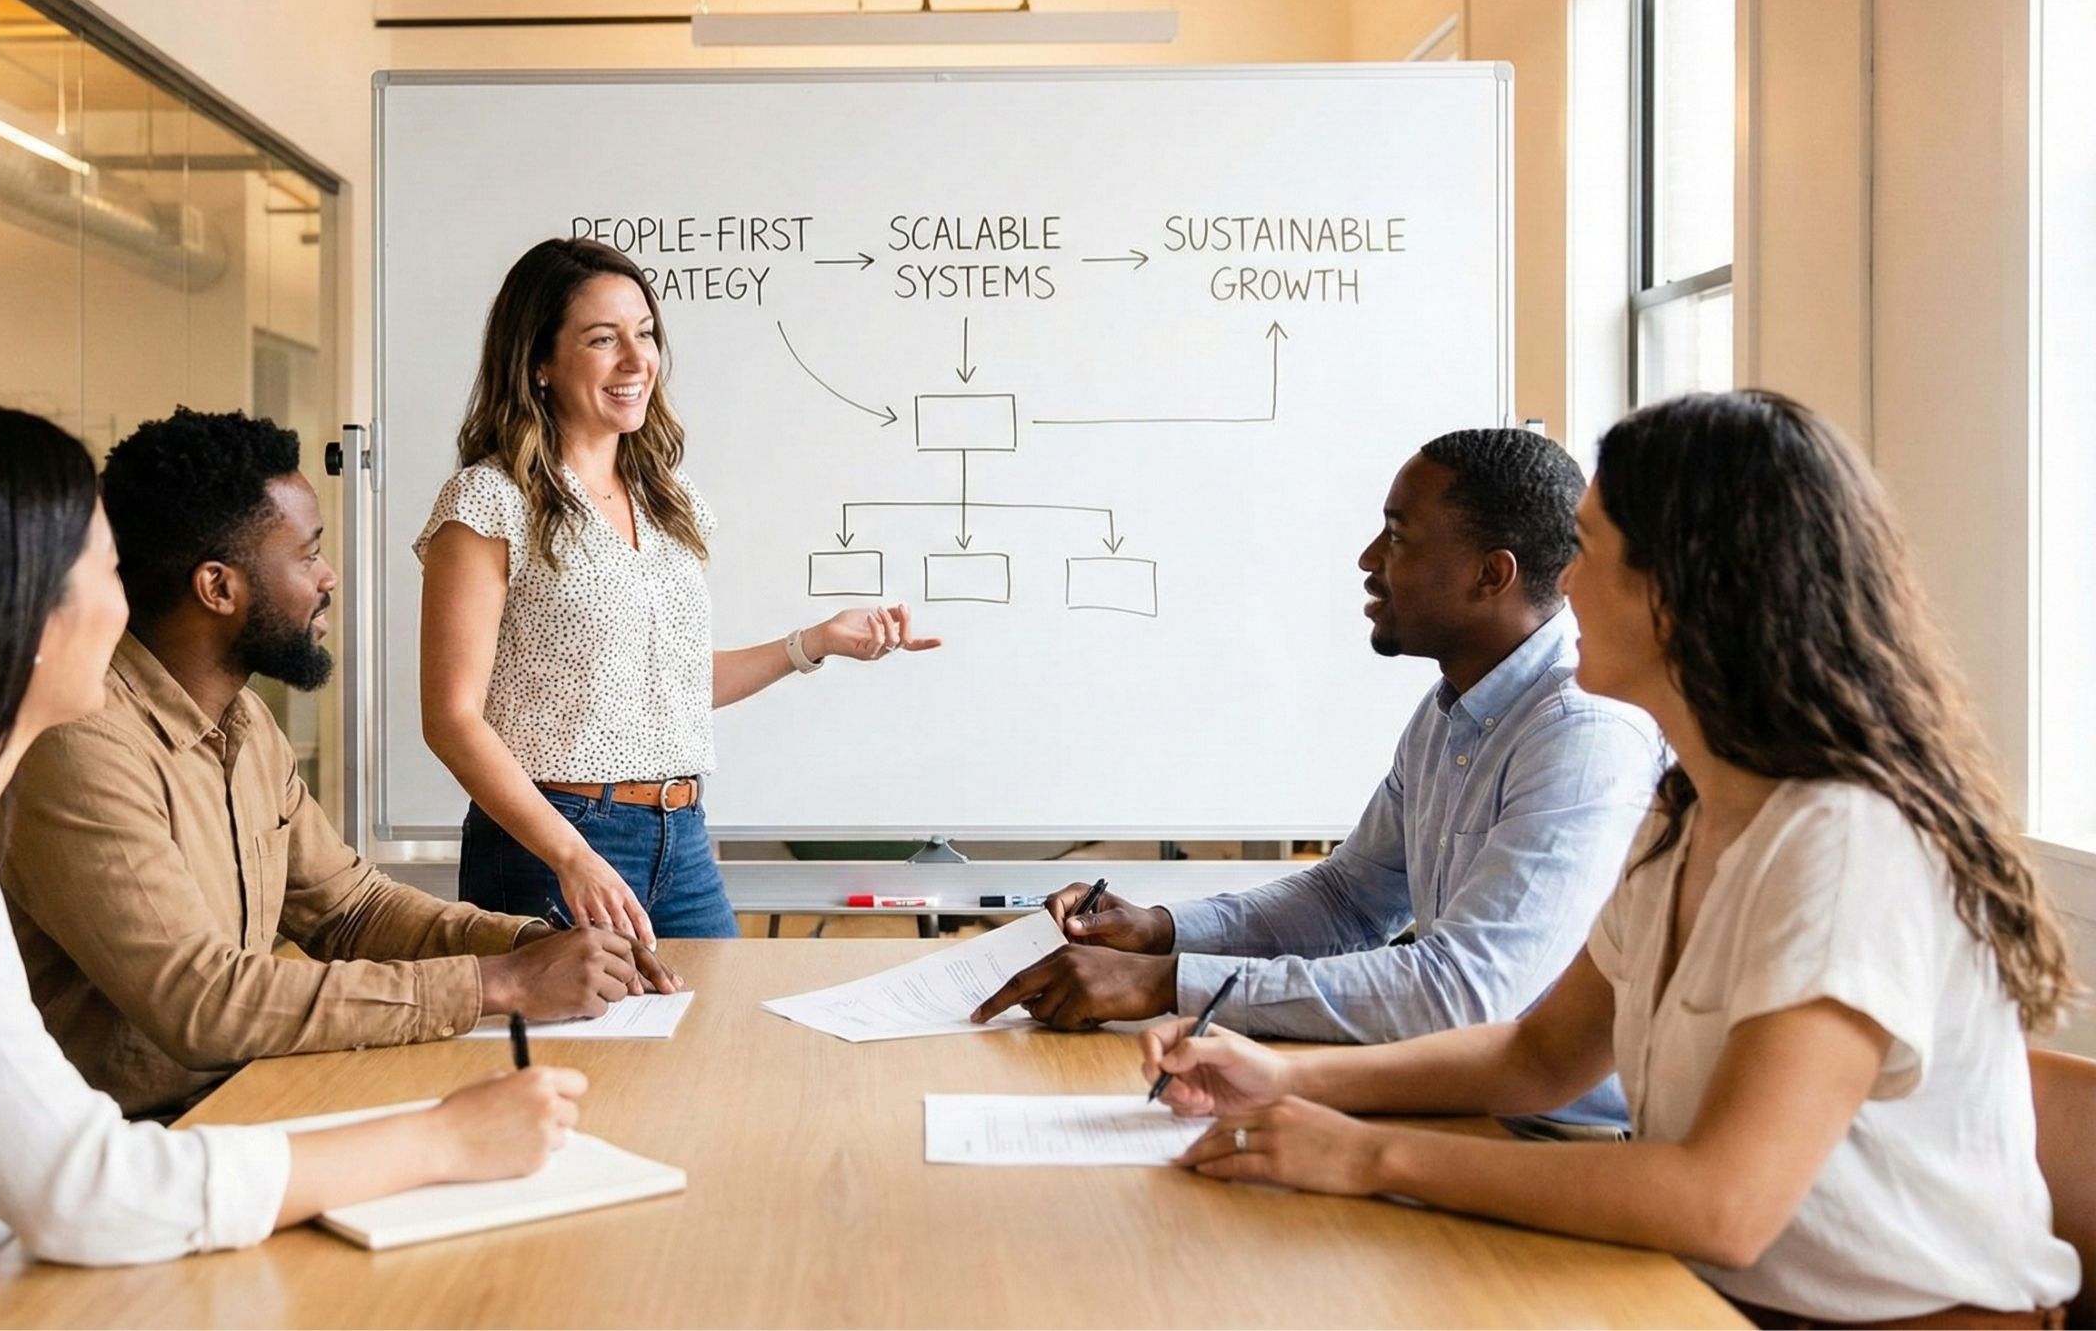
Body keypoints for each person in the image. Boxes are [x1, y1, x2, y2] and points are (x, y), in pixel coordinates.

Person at [0, 407, 585, 1330]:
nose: (126, 609)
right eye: (108, 570)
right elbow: (90, 1192)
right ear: (15, 615)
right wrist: (442, 1138)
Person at [1141, 392, 2080, 1328]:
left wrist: (1366, 1155)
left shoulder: (1841, 843)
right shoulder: (1689, 810)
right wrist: (1286, 1077)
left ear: (1684, 593)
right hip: (1699, 1292)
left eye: (1587, 548)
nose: (1563, 584)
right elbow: (1538, 1052)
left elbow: (1723, 1203)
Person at [0, 409, 668, 1122]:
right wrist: (498, 983)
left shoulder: (245, 722)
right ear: (218, 589)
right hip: (142, 1144)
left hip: (248, 1103)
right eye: (306, 554)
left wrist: (538, 944)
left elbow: (350, 910)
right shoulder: (83, 744)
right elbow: (203, 1003)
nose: (329, 576)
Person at [974, 429, 1657, 1129]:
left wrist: (1169, 982)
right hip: (1455, 1108)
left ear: (1491, 575)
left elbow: (1464, 991)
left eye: (1398, 536)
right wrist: (1161, 931)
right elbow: (1349, 901)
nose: (1368, 560)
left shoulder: (1584, 734)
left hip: (1555, 1144)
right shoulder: (1452, 710)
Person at [418, 236, 939, 941]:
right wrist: (572, 855)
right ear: (538, 363)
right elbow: (452, 718)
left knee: (715, 1042)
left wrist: (813, 644)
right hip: (552, 844)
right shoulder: (488, 500)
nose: (638, 361)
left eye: (646, 334)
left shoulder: (670, 500)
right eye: (604, 339)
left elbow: (673, 684)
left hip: (681, 836)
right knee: (572, 1052)